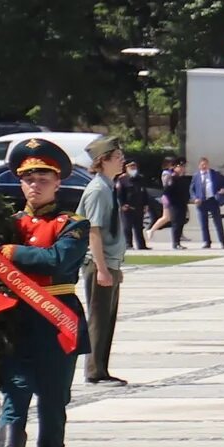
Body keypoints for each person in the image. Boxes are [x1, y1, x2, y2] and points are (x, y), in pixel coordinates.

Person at [0, 141, 90, 447]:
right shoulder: (10, 223)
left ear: (58, 182)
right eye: (28, 178)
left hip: (56, 324)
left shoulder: (72, 224)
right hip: (18, 322)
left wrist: (13, 253)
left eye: (43, 178)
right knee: (13, 399)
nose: (35, 185)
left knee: (52, 408)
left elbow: (59, 261)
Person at [78, 139, 129, 385]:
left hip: (110, 263)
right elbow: (94, 232)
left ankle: (101, 369)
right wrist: (101, 269)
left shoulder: (108, 186)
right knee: (98, 318)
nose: (122, 160)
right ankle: (94, 370)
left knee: (107, 318)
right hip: (100, 264)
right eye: (117, 156)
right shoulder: (98, 190)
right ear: (103, 160)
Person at [191, 156, 224, 249]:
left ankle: (222, 241)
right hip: (201, 201)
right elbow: (192, 189)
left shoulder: (214, 174)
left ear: (208, 165)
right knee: (203, 223)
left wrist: (223, 189)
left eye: (205, 164)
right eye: (202, 165)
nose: (204, 166)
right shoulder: (196, 176)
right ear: (199, 166)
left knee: (218, 222)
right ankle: (207, 242)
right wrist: (195, 198)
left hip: (212, 200)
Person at [160, 161, 190, 249]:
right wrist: (168, 202)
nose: (182, 169)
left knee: (181, 222)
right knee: (176, 223)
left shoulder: (183, 178)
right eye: (179, 167)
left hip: (182, 203)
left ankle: (179, 242)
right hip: (175, 204)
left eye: (183, 167)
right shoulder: (172, 178)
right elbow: (167, 191)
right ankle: (175, 243)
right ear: (175, 168)